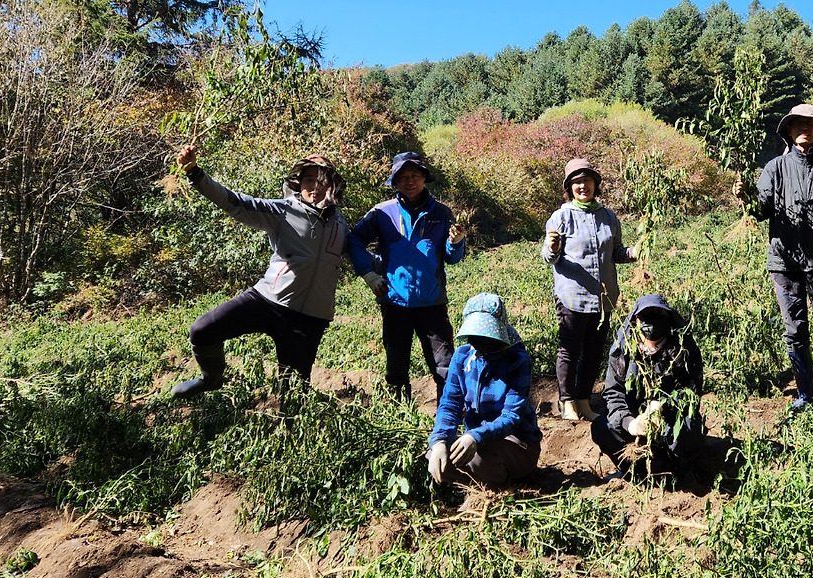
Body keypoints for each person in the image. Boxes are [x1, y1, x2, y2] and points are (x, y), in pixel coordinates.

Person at [170, 145, 377, 399]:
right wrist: (195, 173)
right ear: (298, 184)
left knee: (293, 394)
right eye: (309, 180)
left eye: (322, 180)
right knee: (202, 330)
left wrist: (406, 262)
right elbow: (234, 202)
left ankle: (289, 431)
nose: (315, 186)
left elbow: (362, 257)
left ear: (333, 186)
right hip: (268, 301)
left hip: (310, 319)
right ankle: (210, 379)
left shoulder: (341, 225)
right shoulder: (282, 211)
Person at [734, 104, 813, 419]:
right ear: (788, 130)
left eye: (811, 124)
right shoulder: (774, 168)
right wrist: (745, 195)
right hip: (784, 265)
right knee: (795, 330)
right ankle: (805, 395)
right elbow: (760, 213)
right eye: (798, 124)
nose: (804, 129)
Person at [351, 152, 466, 402]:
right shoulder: (381, 213)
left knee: (444, 365)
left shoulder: (442, 213)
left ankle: (448, 419)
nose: (409, 181)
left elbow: (451, 257)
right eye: (402, 177)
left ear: (424, 177)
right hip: (394, 303)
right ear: (395, 182)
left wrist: (456, 243)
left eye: (414, 175)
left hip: (432, 304)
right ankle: (401, 415)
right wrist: (368, 273)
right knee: (396, 366)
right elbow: (353, 240)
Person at [542, 158, 637, 421]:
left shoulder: (608, 216)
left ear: (595, 184)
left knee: (594, 352)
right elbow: (548, 257)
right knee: (569, 351)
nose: (582, 186)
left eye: (587, 180)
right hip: (572, 297)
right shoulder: (561, 216)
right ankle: (567, 402)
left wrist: (632, 253)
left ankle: (584, 401)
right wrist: (552, 247)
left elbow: (615, 252)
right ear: (569, 188)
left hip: (604, 299)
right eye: (576, 182)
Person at [427, 293, 542, 489]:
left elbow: (511, 417)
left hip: (517, 443)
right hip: (478, 440)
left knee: (480, 455)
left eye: (487, 338)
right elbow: (450, 404)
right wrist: (439, 440)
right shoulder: (463, 357)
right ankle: (477, 486)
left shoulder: (517, 361)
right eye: (476, 338)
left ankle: (500, 491)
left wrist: (474, 436)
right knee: (436, 456)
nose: (482, 343)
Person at [591, 294, 705, 483]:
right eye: (646, 316)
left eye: (659, 315)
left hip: (669, 422)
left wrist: (663, 408)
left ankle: (676, 470)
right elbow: (613, 393)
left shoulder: (683, 348)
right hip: (635, 424)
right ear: (636, 320)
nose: (652, 322)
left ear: (668, 319)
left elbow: (691, 389)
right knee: (601, 428)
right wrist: (630, 423)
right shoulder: (624, 349)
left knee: (688, 432)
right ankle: (632, 471)